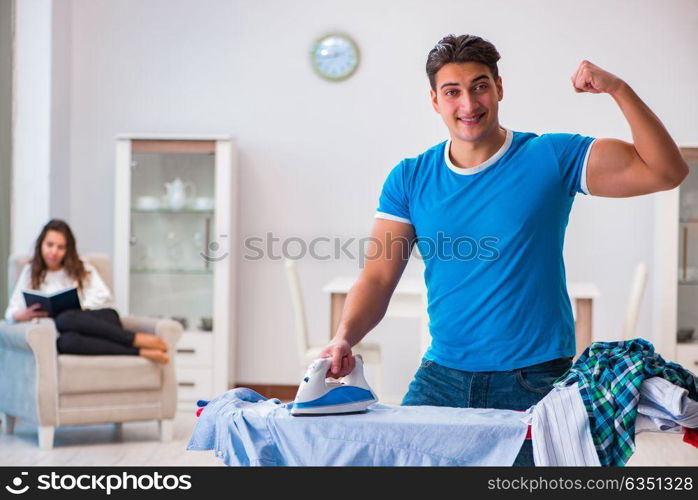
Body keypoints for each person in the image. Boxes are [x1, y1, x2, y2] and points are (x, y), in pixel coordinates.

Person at [317, 34, 689, 465]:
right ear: (435, 101)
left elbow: (666, 170)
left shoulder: (551, 155)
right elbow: (379, 277)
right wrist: (344, 337)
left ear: (499, 88)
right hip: (442, 377)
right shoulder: (410, 178)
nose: (468, 104)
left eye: (480, 86)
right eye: (452, 92)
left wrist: (618, 90)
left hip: (533, 379)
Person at [4, 218, 169, 364]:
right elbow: (10, 312)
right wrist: (20, 315)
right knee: (65, 343)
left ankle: (134, 338)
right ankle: (138, 351)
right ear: (41, 245)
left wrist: (82, 307)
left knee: (66, 318)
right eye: (49, 245)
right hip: (69, 332)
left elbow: (104, 297)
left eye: (60, 247)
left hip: (100, 320)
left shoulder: (81, 267)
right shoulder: (30, 271)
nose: (54, 252)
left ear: (68, 249)